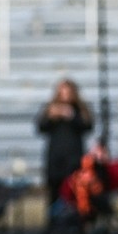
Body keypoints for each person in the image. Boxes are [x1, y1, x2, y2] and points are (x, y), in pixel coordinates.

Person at [35, 78, 95, 209]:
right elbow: (41, 128)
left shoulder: (80, 109)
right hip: (55, 159)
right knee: (54, 193)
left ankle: (75, 223)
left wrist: (71, 116)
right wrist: (52, 117)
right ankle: (54, 223)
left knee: (75, 192)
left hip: (73, 158)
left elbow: (88, 126)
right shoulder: (50, 108)